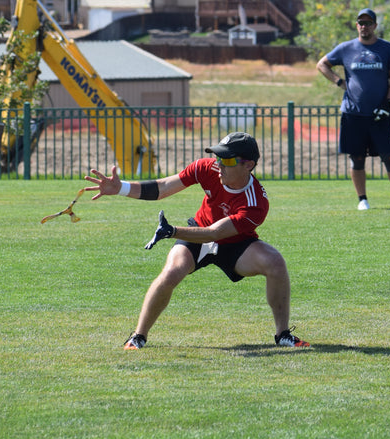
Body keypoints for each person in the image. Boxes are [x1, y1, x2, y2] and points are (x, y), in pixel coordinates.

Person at [84, 131, 310, 350]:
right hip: (199, 230)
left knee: (275, 262)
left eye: (227, 159)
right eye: (218, 157)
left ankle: (283, 335)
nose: (219, 164)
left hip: (234, 242)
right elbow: (163, 187)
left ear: (248, 165)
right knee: (172, 272)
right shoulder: (206, 168)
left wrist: (171, 231)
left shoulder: (256, 202)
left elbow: (214, 234)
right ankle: (138, 337)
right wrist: (120, 188)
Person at [316, 7, 390, 211]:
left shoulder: (386, 48)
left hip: (379, 114)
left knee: (389, 156)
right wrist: (338, 82)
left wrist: (387, 103)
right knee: (357, 157)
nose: (364, 26)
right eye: (361, 23)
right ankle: (362, 200)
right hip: (353, 113)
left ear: (375, 26)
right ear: (356, 25)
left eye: (368, 23)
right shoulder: (346, 48)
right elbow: (322, 64)